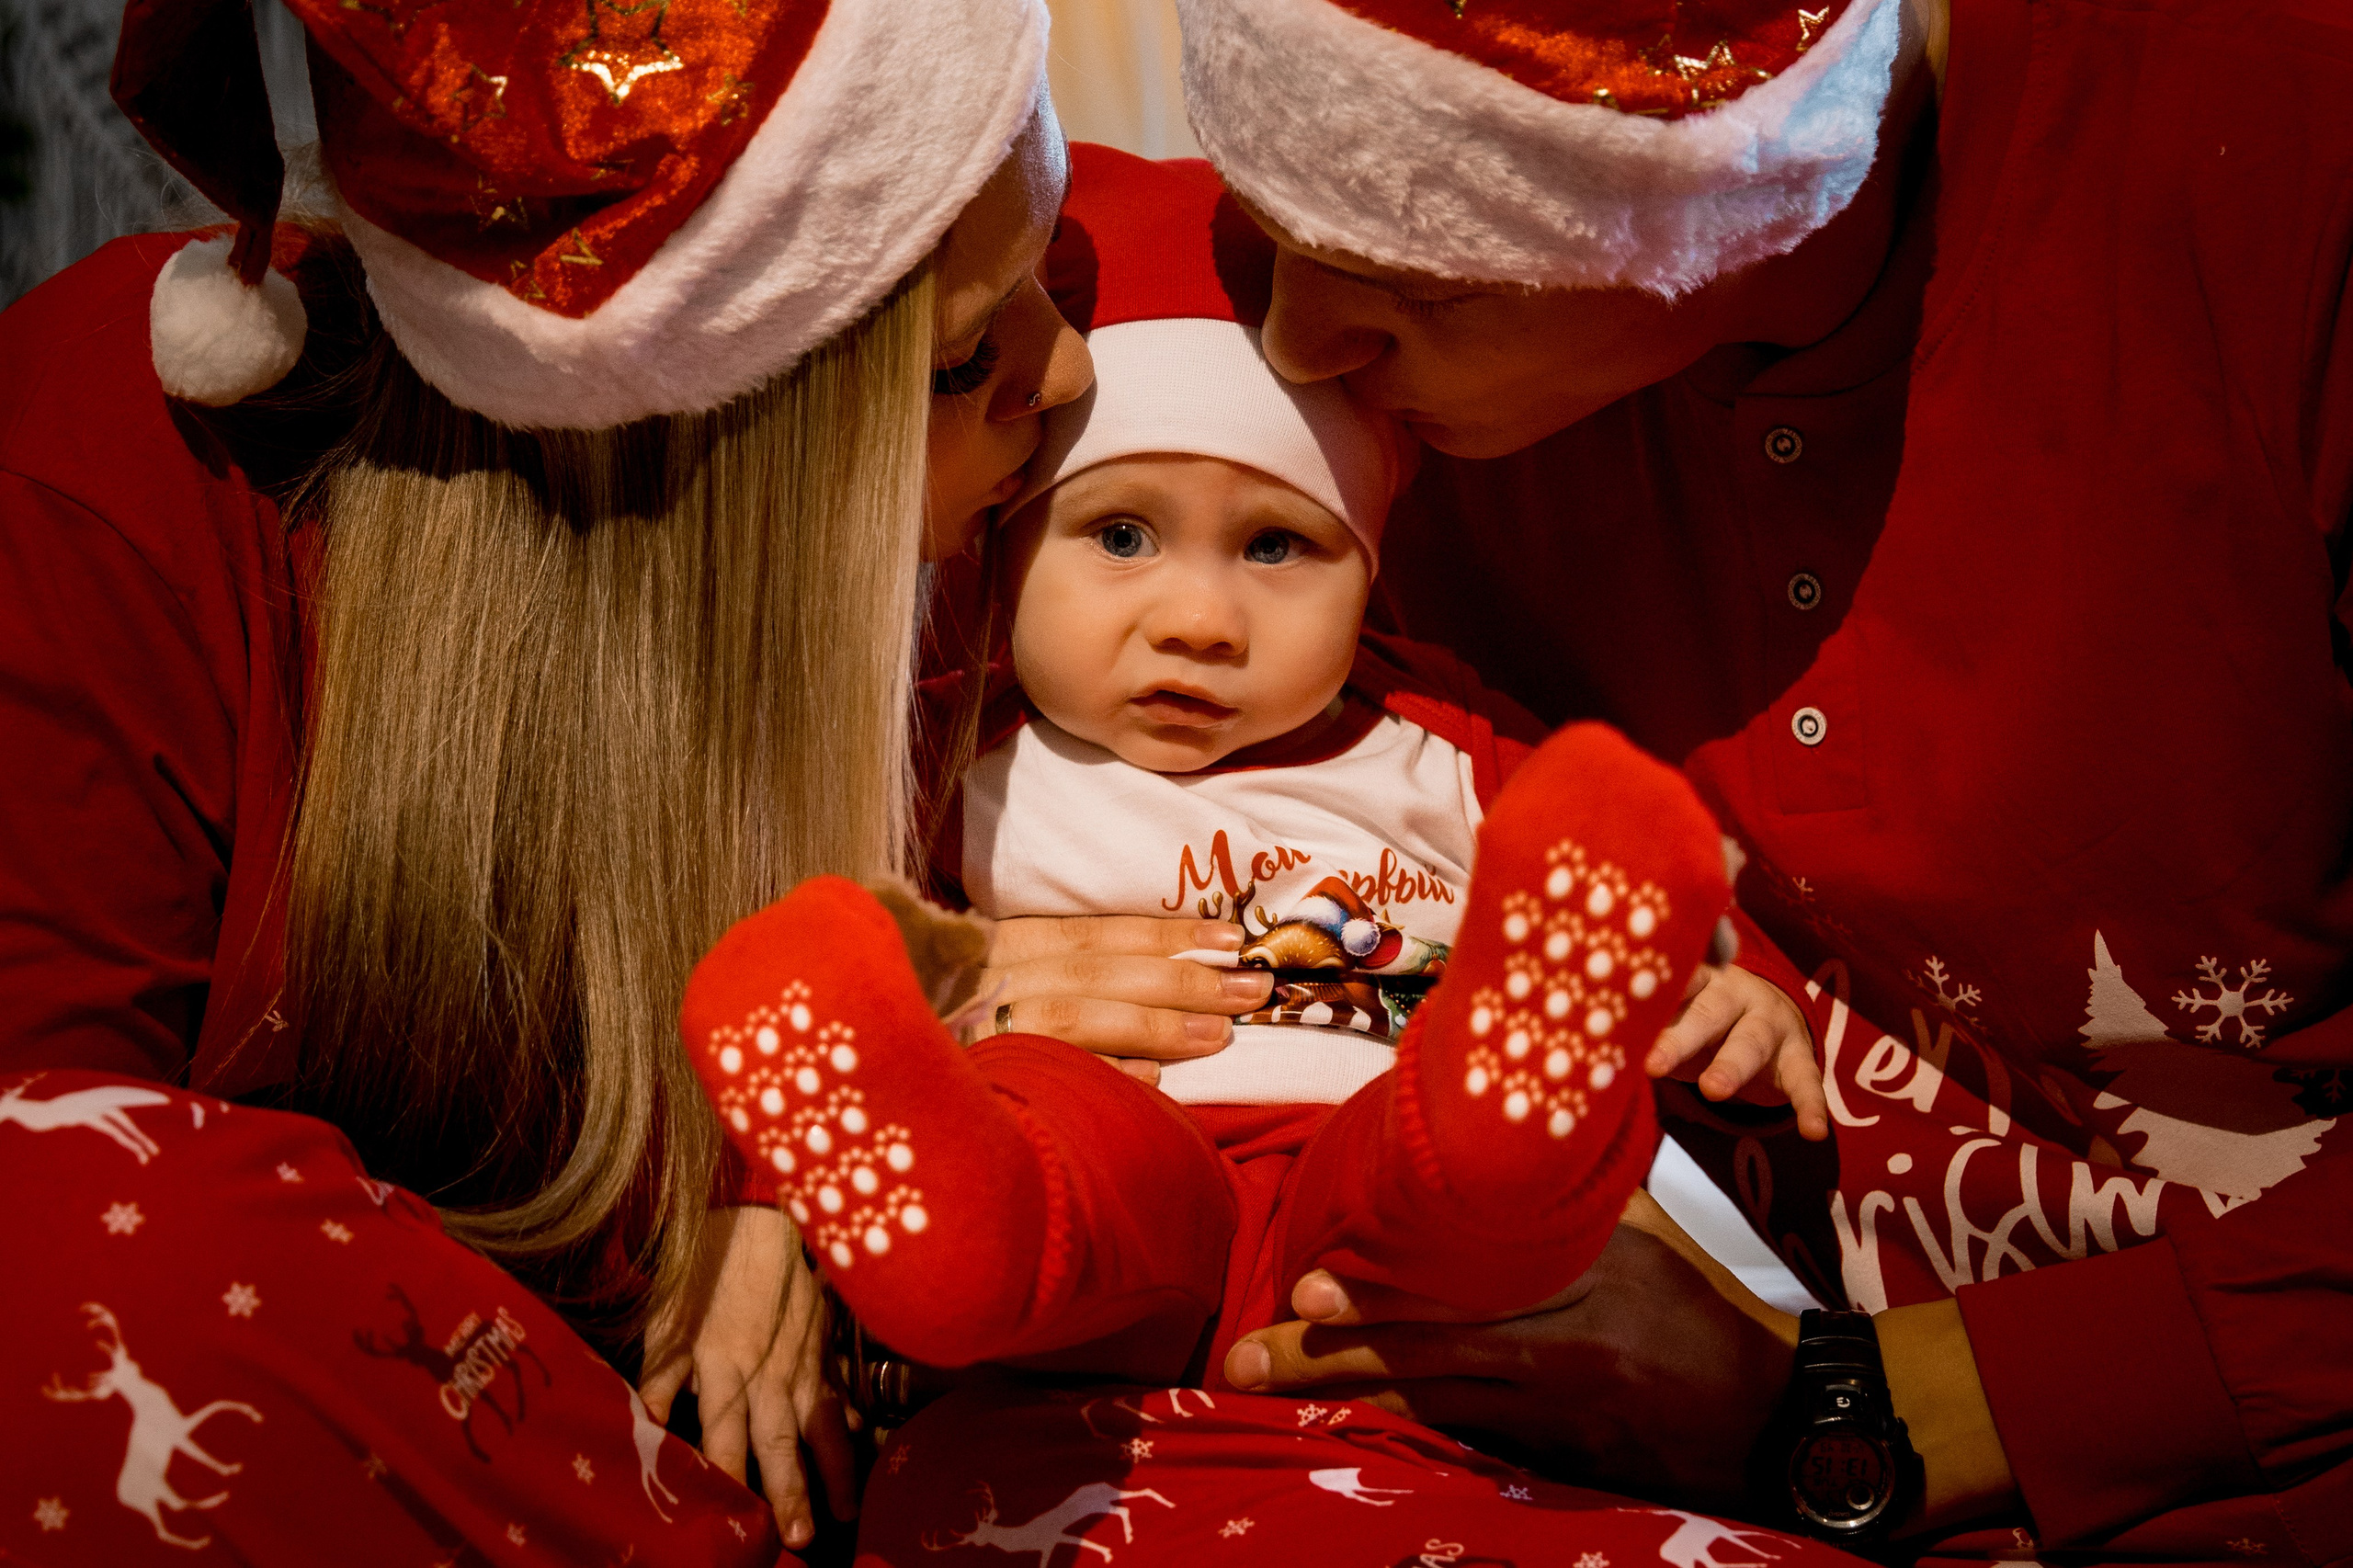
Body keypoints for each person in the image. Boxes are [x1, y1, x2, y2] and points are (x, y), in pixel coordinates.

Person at [1155, 0, 2353, 1555]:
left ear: (1726, 176)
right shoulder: (1306, 296)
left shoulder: (2275, 155)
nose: (1300, 344)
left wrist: (1850, 1405)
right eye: (1272, 214)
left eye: (1411, 264)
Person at [0, 0, 1096, 1558]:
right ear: (710, 449)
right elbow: (67, 1265)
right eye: (975, 355)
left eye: (1059, 258)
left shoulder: (982, 445)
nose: (1072, 380)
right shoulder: (122, 479)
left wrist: (804, 1132)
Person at [677, 146, 1835, 1390]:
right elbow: (836, 977)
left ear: (1371, 572)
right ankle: (961, 1243)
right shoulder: (948, 751)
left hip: (1373, 1141)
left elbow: (1611, 877)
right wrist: (764, 1179)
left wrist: (1725, 985)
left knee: (1433, 1168)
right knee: (1064, 1166)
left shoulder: (1442, 739)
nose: (1199, 621)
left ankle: (1506, 1149)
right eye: (1121, 535)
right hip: (1103, 1126)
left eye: (1278, 545)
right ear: (1004, 553)